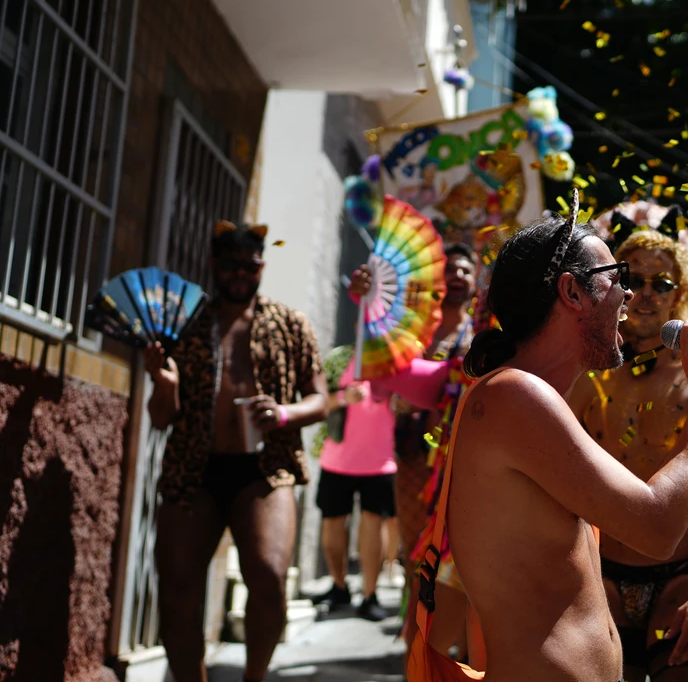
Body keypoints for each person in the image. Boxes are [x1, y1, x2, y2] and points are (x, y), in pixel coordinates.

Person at [425, 192, 688, 682]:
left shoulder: (526, 397)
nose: (632, 296)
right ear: (573, 292)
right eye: (620, 280)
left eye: (656, 283)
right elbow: (657, 527)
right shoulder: (518, 396)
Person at [568, 228, 688, 681]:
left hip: (685, 579)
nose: (647, 294)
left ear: (681, 296)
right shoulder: (586, 373)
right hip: (602, 578)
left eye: (663, 284)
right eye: (635, 279)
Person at [144, 222, 328, 682]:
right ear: (214, 265)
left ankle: (255, 677)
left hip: (265, 469)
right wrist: (163, 385)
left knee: (267, 577)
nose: (241, 274)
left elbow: (322, 399)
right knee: (177, 587)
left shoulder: (290, 323)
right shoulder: (184, 325)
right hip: (194, 467)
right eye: (232, 265)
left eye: (251, 265)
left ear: (262, 266)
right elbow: (161, 418)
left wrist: (284, 414)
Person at [349, 242, 479, 653]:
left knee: (463, 553)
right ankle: (420, 643)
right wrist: (365, 303)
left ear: (475, 281)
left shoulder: (484, 329)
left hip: (464, 458)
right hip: (411, 455)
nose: (456, 276)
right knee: (417, 550)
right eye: (450, 270)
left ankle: (457, 645)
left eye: (465, 270)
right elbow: (380, 365)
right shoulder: (413, 324)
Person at [310, 366, 399, 621]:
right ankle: (339, 587)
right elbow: (316, 401)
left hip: (380, 462)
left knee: (374, 524)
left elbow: (413, 403)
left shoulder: (397, 366)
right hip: (336, 461)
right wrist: (341, 397)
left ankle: (370, 595)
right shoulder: (340, 359)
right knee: (333, 525)